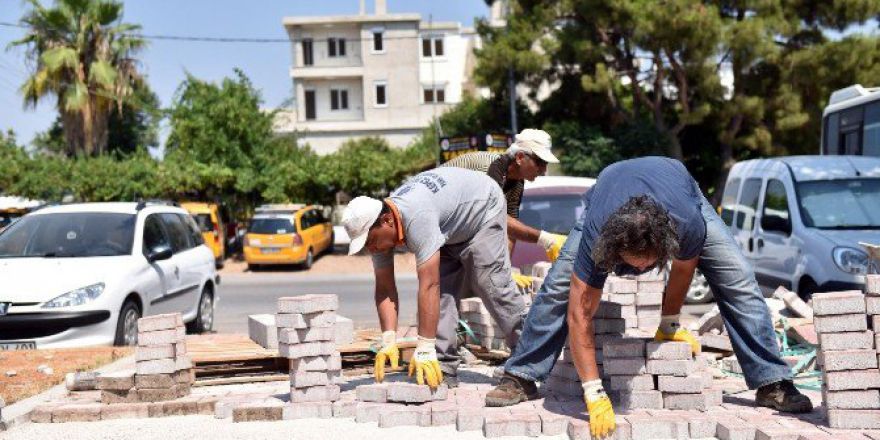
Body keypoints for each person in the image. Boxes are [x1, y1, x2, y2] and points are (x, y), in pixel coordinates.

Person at [484, 157, 812, 438]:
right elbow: (579, 315)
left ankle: (773, 382)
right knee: (557, 286)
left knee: (739, 278)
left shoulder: (687, 226)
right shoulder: (598, 234)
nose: (640, 270)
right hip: (607, 193)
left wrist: (668, 323)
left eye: (648, 264)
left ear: (666, 247)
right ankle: (521, 375)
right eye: (631, 263)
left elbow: (683, 271)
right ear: (613, 250)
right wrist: (593, 391)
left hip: (683, 192)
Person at [342, 166, 526, 388]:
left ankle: (526, 355)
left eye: (369, 241)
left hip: (481, 208)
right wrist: (389, 337)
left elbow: (429, 285)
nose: (370, 248)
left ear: (386, 221)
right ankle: (443, 364)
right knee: (442, 294)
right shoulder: (383, 231)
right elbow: (384, 287)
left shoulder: (416, 217)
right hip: (447, 222)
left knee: (489, 281)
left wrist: (424, 347)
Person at [443, 129, 568, 287]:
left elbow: (510, 228)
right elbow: (494, 216)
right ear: (520, 157)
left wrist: (505, 271)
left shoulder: (516, 182)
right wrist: (544, 238)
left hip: (457, 227)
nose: (543, 171)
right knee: (449, 288)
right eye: (540, 163)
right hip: (439, 220)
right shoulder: (488, 169)